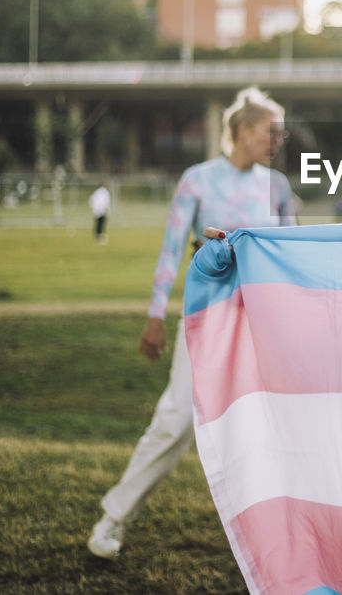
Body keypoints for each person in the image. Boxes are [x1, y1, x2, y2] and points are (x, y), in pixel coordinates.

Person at [88, 86, 296, 560]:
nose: (278, 140)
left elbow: (294, 250)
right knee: (176, 420)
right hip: (206, 320)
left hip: (265, 325)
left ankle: (291, 544)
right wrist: (156, 314)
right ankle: (113, 519)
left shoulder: (278, 186)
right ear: (244, 131)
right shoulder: (197, 180)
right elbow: (170, 249)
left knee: (279, 425)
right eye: (271, 131)